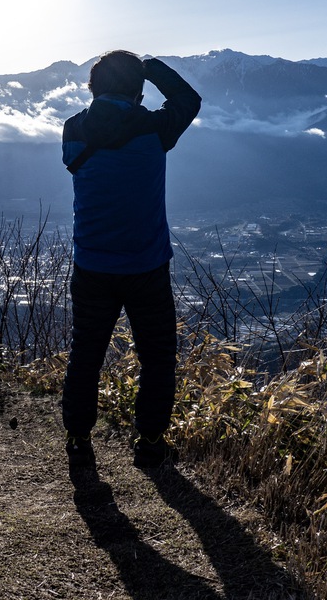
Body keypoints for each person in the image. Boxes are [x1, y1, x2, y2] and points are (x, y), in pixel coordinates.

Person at [61, 50, 201, 469]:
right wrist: (151, 68)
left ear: (93, 88)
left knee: (86, 353)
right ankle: (151, 442)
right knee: (157, 357)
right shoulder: (155, 129)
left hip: (92, 266)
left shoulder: (73, 129)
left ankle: (78, 439)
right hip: (146, 267)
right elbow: (188, 100)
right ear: (138, 92)